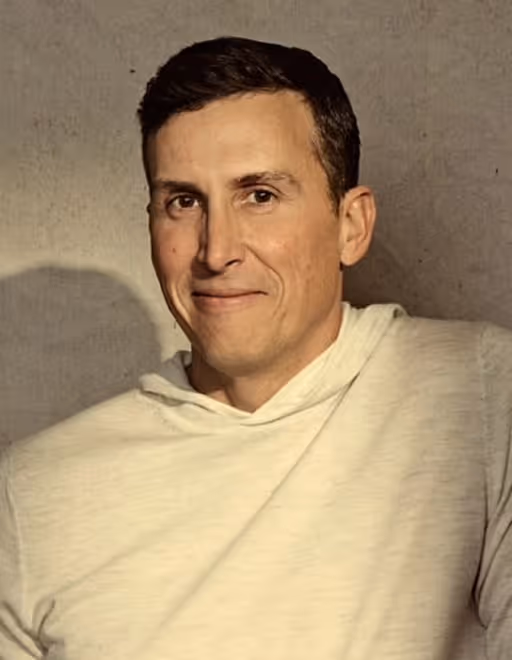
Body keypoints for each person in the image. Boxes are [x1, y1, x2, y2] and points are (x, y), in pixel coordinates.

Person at [0, 35, 511, 660]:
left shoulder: (480, 395)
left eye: (260, 196)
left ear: (351, 226)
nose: (217, 250)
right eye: (183, 202)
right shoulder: (31, 495)